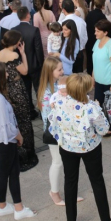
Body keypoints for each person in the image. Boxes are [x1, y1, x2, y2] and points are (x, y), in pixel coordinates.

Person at [49, 73, 111, 221]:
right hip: (90, 148)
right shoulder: (92, 108)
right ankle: (105, 219)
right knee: (97, 180)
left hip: (67, 148)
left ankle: (71, 220)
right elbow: (104, 130)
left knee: (70, 181)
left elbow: (53, 126)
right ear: (86, 90)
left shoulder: (58, 103)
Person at [0, 62, 37, 220]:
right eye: (4, 73)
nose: (7, 74)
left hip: (3, 141)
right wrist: (18, 135)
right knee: (10, 173)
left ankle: (4, 206)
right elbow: (5, 124)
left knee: (7, 173)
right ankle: (18, 209)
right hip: (6, 141)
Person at [38, 57, 77, 205]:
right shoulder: (47, 93)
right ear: (50, 71)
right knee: (57, 161)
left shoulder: (55, 86)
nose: (63, 72)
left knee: (64, 161)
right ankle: (54, 193)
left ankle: (66, 192)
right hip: (55, 132)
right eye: (59, 69)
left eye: (62, 69)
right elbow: (51, 117)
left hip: (65, 131)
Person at [0, 30, 39, 172]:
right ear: (16, 42)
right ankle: (26, 153)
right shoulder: (14, 55)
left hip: (7, 90)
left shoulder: (0, 53)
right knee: (24, 121)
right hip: (17, 90)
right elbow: (25, 71)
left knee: (13, 120)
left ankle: (15, 152)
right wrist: (23, 54)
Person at [12, 7, 44, 119]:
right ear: (28, 15)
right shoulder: (34, 30)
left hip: (21, 66)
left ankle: (30, 111)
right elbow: (38, 49)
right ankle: (42, 111)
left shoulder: (14, 30)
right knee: (39, 89)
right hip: (34, 65)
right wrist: (41, 64)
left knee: (26, 90)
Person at [92, 19, 111, 137]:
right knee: (98, 104)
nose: (95, 33)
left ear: (105, 32)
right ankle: (102, 124)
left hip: (109, 81)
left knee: (110, 105)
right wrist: (93, 77)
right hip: (99, 79)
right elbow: (95, 62)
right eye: (95, 31)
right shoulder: (97, 42)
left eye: (98, 31)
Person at [59, 0, 87, 73]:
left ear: (63, 10)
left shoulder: (62, 23)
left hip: (66, 55)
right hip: (79, 54)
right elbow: (85, 38)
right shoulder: (81, 21)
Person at [85, 0, 107, 75]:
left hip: (89, 39)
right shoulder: (102, 16)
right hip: (98, 40)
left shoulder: (89, 14)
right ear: (103, 5)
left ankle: (89, 73)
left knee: (90, 59)